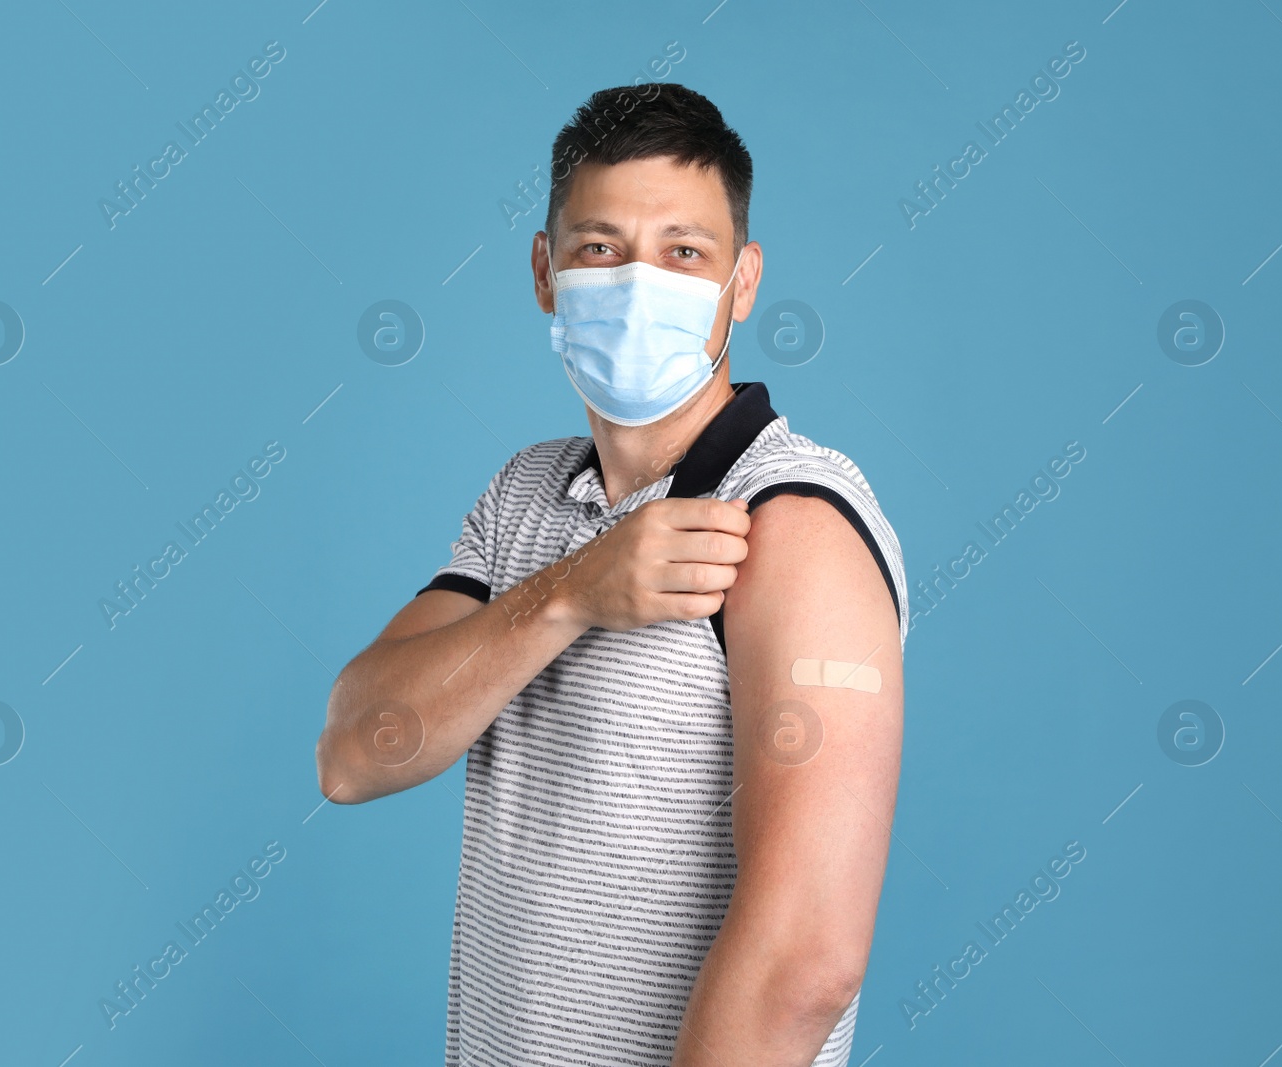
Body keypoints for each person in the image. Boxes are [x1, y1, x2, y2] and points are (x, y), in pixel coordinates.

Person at [316, 82, 910, 1067]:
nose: (640, 285)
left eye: (685, 252)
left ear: (743, 280)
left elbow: (806, 964)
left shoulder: (789, 521)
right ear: (545, 271)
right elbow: (354, 750)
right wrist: (571, 591)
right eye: (600, 248)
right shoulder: (528, 494)